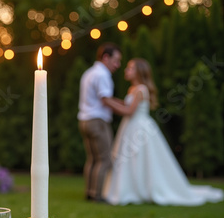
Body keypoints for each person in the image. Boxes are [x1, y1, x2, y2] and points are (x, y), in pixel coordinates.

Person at [103, 58, 224, 206]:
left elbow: (129, 110)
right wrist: (112, 100)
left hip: (139, 128)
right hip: (130, 127)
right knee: (130, 159)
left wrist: (107, 102)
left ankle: (138, 189)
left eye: (130, 68)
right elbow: (126, 104)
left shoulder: (141, 90)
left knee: (138, 158)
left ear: (139, 72)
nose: (126, 71)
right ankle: (130, 188)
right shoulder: (133, 89)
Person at [78, 43, 122, 202]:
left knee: (92, 159)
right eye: (116, 60)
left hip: (84, 120)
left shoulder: (89, 73)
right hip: (97, 121)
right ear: (105, 57)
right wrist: (126, 110)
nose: (117, 65)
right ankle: (97, 195)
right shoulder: (102, 75)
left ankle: (89, 192)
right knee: (104, 159)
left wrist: (121, 103)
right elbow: (105, 100)